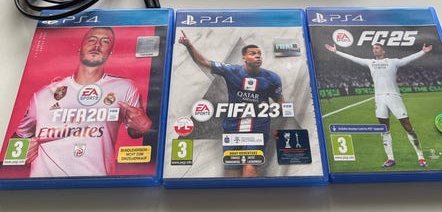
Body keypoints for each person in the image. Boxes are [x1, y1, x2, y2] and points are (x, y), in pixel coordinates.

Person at [14, 27, 152, 177]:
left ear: (110, 52)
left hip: (96, 184)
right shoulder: (43, 94)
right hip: (44, 184)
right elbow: (18, 138)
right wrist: (21, 152)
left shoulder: (124, 88)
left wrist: (143, 126)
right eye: (92, 40)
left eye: (105, 42)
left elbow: (135, 132)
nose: (97, 45)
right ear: (80, 47)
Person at [178, 30, 284, 177]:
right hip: (233, 129)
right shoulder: (231, 70)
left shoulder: (272, 78)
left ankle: (252, 192)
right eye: (253, 53)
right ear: (244, 57)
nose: (258, 56)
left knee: (250, 169)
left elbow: (280, 101)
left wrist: (279, 111)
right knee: (231, 172)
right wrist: (189, 45)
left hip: (258, 130)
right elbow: (203, 62)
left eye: (259, 53)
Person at [324, 41, 432, 168]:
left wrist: (422, 52)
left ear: (383, 51)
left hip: (394, 97)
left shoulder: (392, 62)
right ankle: (390, 158)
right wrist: (336, 51)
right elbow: (353, 58)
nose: (374, 50)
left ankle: (420, 156)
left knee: (407, 126)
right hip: (379, 98)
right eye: (373, 48)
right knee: (384, 129)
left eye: (377, 48)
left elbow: (408, 59)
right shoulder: (370, 62)